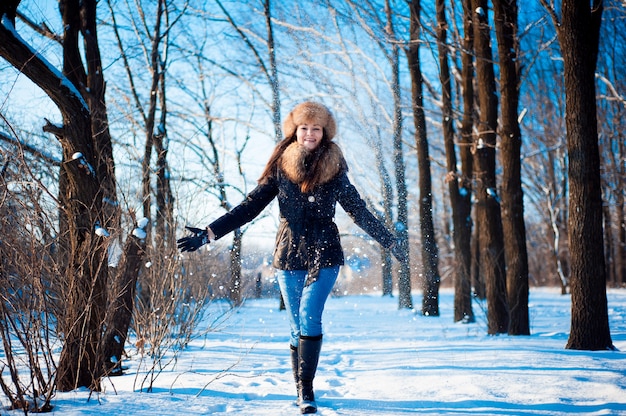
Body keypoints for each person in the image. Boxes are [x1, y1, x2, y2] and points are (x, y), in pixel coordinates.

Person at [177, 101, 402, 414]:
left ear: (325, 133)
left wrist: (389, 240)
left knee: (310, 315)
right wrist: (209, 233)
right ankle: (300, 387)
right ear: (295, 130)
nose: (310, 133)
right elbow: (249, 207)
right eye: (304, 127)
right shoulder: (281, 167)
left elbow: (358, 210)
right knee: (297, 326)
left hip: (325, 250)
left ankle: (306, 392)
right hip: (289, 252)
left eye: (316, 128)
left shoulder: (335, 168)